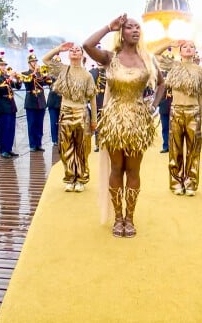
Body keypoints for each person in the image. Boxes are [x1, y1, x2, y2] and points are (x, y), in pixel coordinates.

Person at [83, 14, 164, 238]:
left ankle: (130, 217)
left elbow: (162, 84)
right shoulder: (111, 57)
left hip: (138, 121)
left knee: (133, 170)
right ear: (122, 32)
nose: (135, 30)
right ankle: (118, 217)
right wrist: (109, 26)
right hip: (114, 120)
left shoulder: (148, 59)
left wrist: (153, 105)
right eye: (129, 27)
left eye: (138, 27)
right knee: (117, 168)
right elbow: (87, 45)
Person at [154, 40, 202, 196]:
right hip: (176, 111)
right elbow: (156, 54)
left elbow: (201, 95)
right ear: (180, 51)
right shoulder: (174, 66)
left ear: (195, 51)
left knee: (193, 150)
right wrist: (169, 43)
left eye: (192, 46)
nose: (188, 48)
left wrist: (200, 115)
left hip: (193, 112)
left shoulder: (199, 70)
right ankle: (176, 182)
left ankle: (191, 183)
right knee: (175, 149)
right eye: (185, 46)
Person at [43, 43, 97, 192]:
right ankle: (70, 177)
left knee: (82, 148)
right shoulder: (62, 69)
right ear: (69, 54)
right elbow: (45, 60)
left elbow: (92, 99)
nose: (74, 51)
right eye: (72, 50)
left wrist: (94, 120)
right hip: (65, 111)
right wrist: (58, 49)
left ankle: (81, 179)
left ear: (82, 55)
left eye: (77, 50)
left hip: (81, 113)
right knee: (65, 147)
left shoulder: (87, 75)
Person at [0, 55, 21, 158]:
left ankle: (9, 148)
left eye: (4, 65)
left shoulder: (6, 76)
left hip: (11, 104)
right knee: (4, 128)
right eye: (2, 65)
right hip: (2, 104)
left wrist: (18, 79)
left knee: (11, 128)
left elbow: (17, 86)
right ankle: (3, 150)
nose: (4, 67)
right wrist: (10, 78)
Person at [21, 49, 50, 152]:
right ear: (29, 63)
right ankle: (33, 145)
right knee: (32, 124)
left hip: (41, 102)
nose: (35, 63)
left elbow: (47, 83)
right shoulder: (25, 73)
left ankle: (39, 144)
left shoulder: (40, 73)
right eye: (33, 62)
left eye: (36, 61)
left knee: (40, 124)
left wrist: (46, 76)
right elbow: (28, 84)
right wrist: (34, 72)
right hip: (31, 102)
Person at [89, 61, 106, 152]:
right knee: (97, 123)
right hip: (97, 100)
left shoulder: (109, 71)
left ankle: (107, 142)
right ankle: (98, 144)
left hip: (107, 100)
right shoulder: (92, 72)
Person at [46, 56, 62, 146]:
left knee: (61, 121)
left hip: (61, 101)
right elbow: (47, 81)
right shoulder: (50, 74)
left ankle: (61, 137)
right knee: (53, 122)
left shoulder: (63, 74)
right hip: (52, 101)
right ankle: (54, 139)